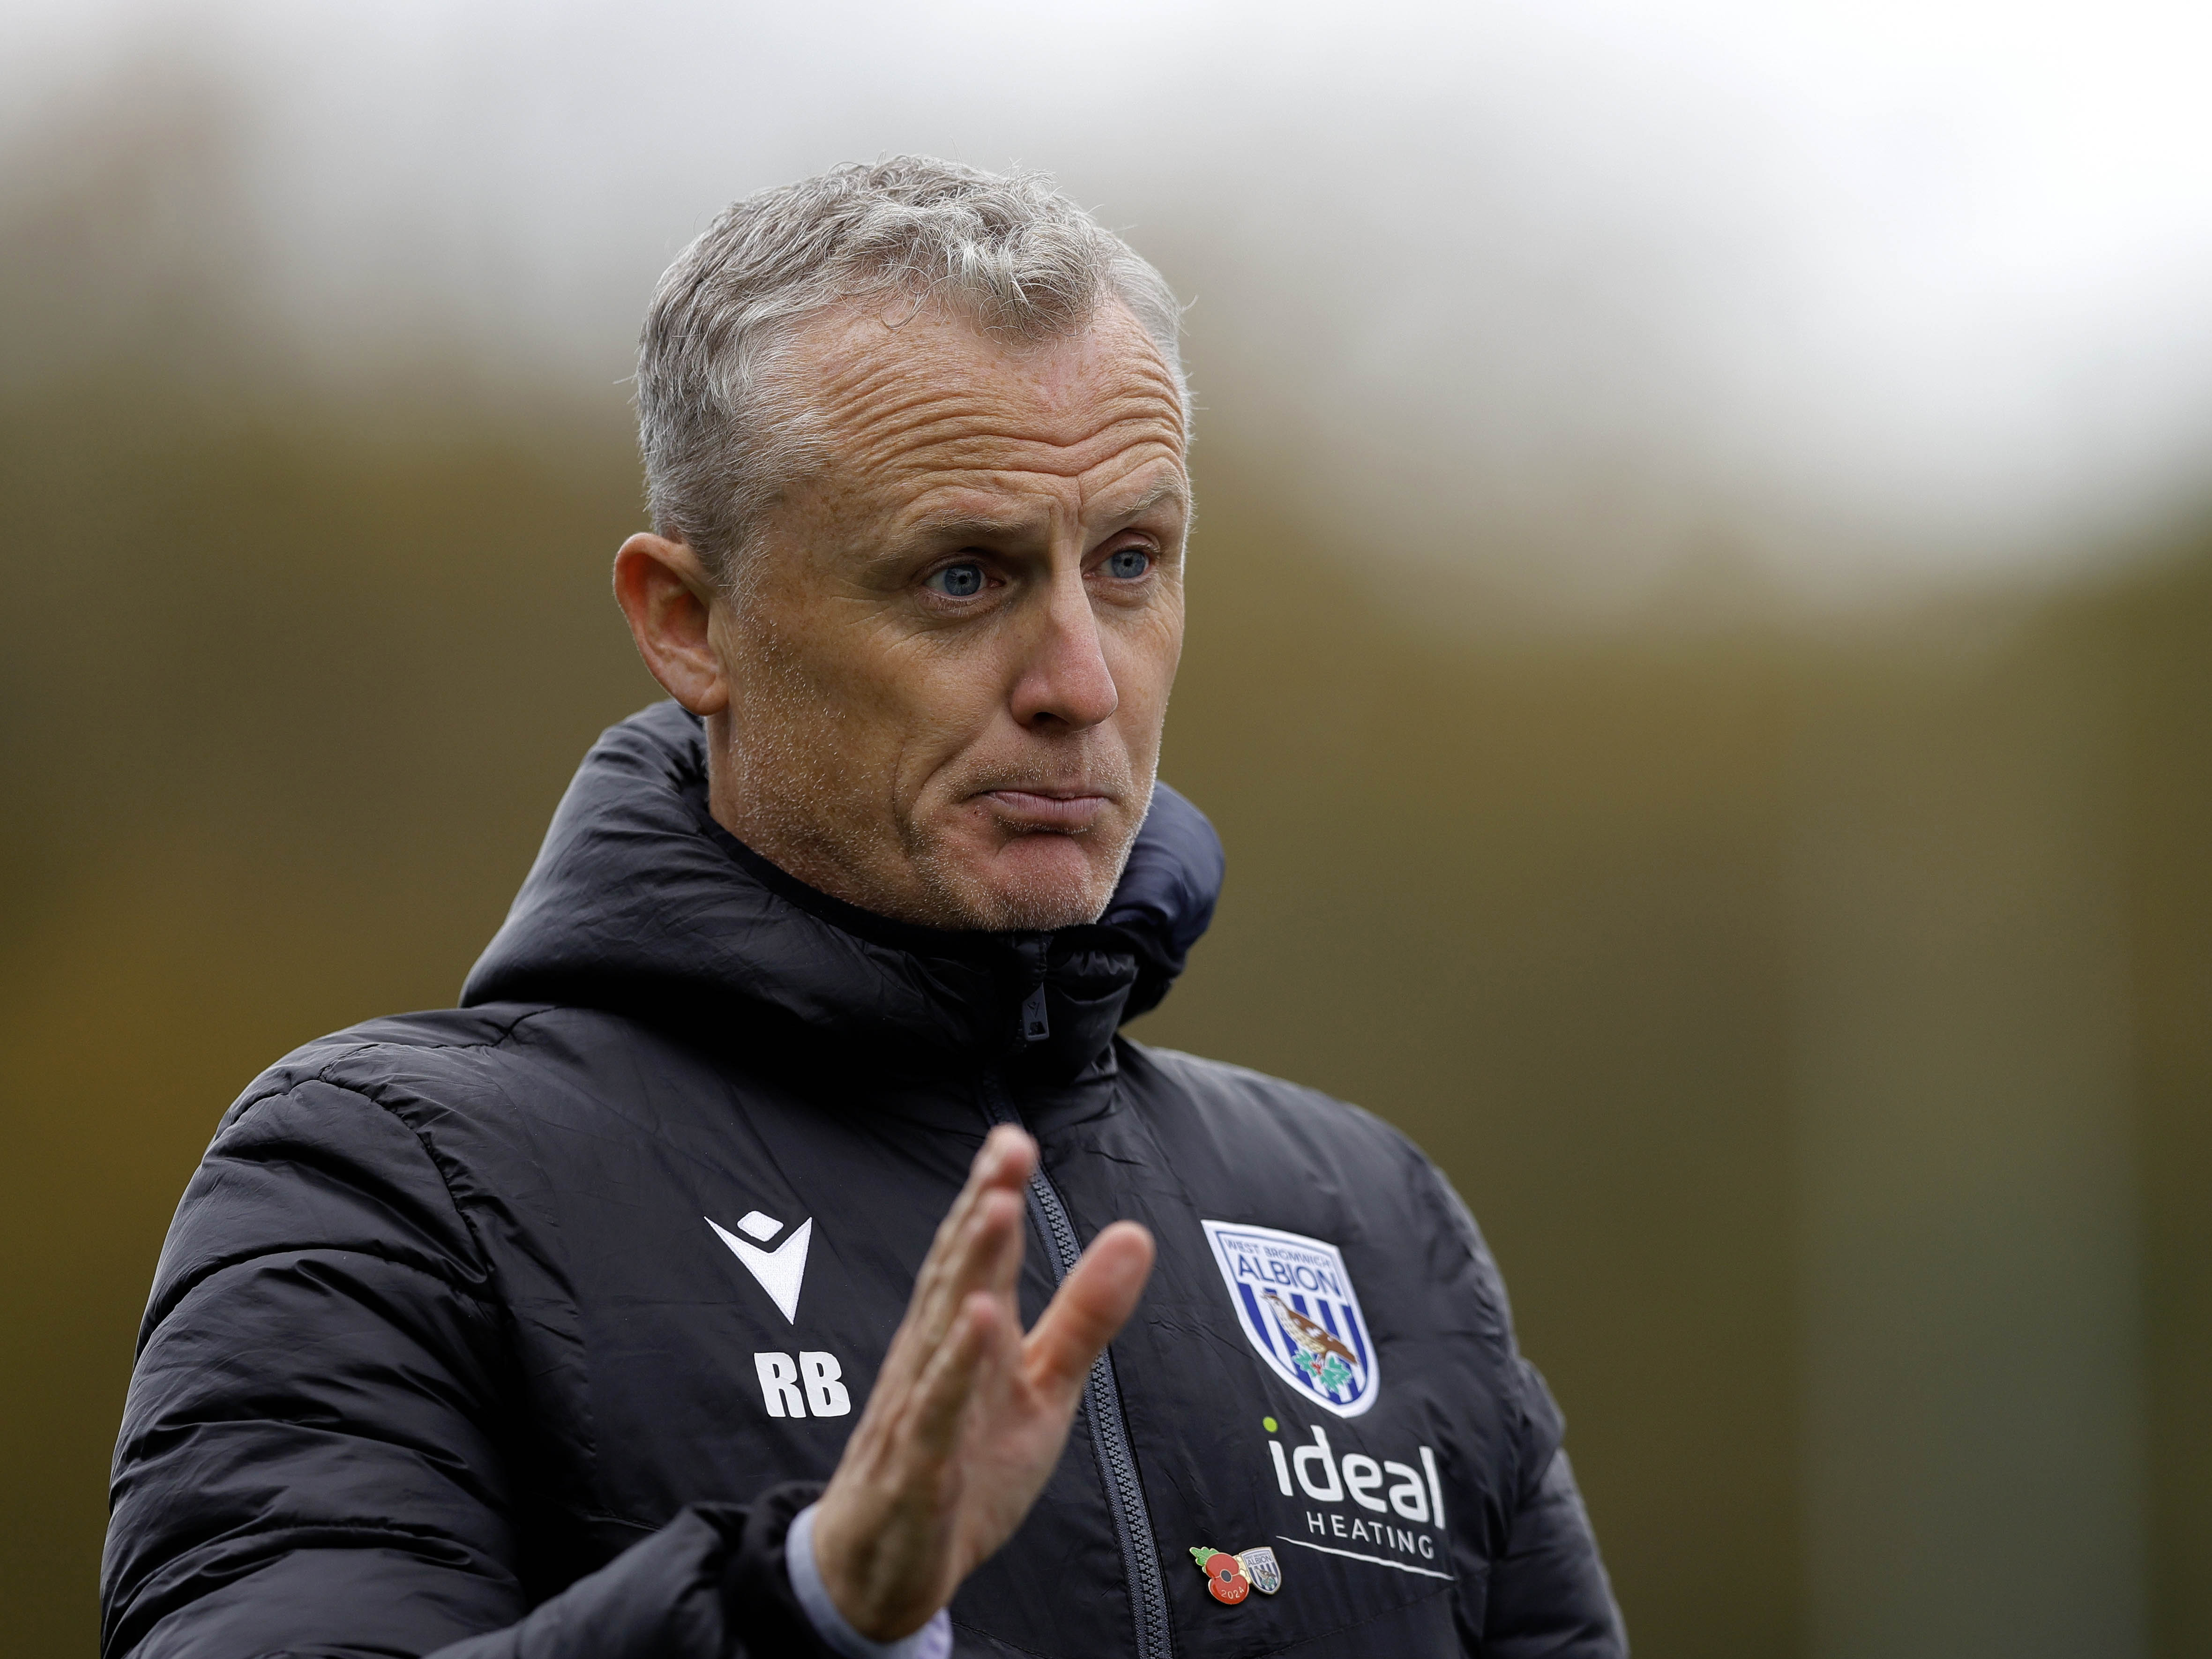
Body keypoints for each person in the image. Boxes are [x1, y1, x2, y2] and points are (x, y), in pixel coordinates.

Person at [100, 157, 1627, 1659]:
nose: (1080, 684)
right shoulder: (390, 1185)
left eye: (1130, 563)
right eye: (963, 576)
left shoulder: (1362, 1218)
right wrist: (806, 1605)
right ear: (689, 622)